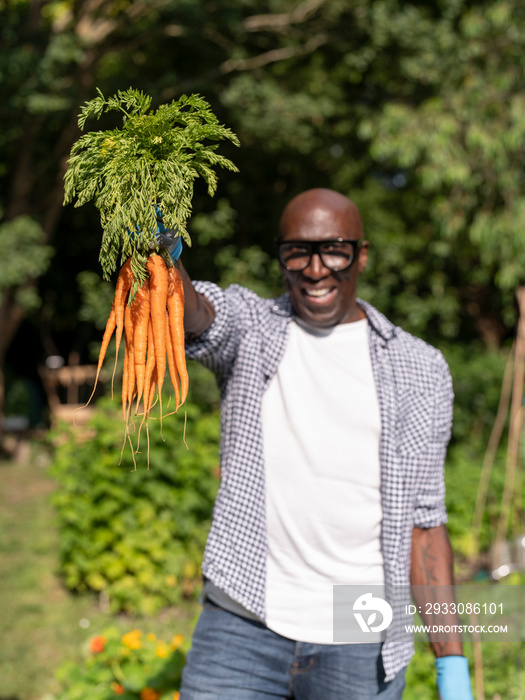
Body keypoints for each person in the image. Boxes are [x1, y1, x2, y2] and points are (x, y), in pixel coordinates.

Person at [173, 188, 474, 699]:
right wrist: (163, 259)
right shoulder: (253, 330)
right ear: (281, 257)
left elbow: (424, 528)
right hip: (244, 619)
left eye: (334, 250)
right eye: (297, 252)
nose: (315, 271)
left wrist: (452, 666)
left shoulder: (420, 369)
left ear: (361, 254)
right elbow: (197, 316)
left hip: (359, 629)